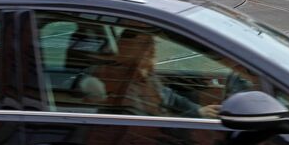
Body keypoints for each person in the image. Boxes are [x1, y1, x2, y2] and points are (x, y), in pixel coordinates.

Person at [77, 29, 222, 119]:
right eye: (148, 49)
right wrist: (194, 115)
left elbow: (169, 97)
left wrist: (198, 110)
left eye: (152, 48)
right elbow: (146, 119)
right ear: (130, 52)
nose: (153, 55)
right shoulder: (113, 82)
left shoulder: (144, 75)